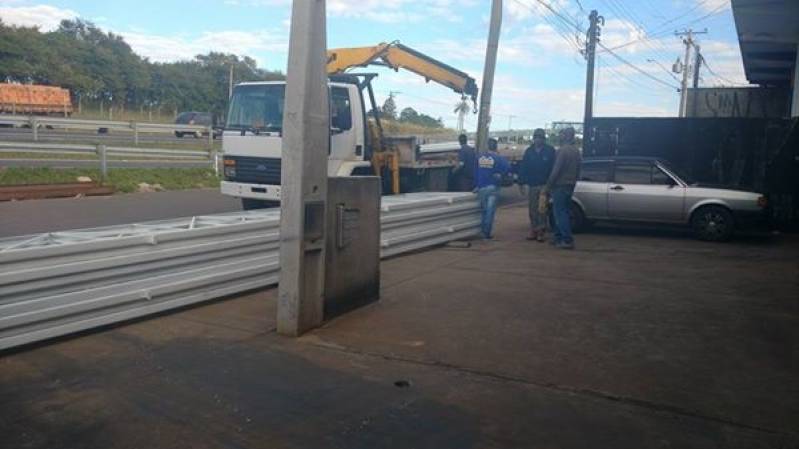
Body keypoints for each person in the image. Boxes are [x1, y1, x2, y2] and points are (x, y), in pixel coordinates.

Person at [544, 127, 581, 249]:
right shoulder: (576, 151)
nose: (560, 137)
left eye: (561, 135)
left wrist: (548, 185)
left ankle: (567, 240)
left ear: (566, 136)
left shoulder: (562, 151)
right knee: (562, 210)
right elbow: (579, 169)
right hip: (570, 185)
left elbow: (556, 170)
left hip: (560, 185)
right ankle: (558, 237)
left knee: (560, 213)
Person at [518, 128, 556, 242]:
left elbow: (554, 168)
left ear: (544, 139)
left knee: (542, 209)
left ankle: (541, 231)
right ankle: (534, 229)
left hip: (545, 185)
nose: (538, 140)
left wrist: (551, 184)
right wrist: (521, 183)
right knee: (532, 209)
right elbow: (523, 167)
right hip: (532, 185)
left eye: (540, 138)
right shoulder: (529, 151)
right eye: (536, 137)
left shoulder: (550, 151)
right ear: (534, 139)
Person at [475, 138, 510, 239]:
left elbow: (475, 171)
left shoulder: (479, 158)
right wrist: (500, 174)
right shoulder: (498, 158)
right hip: (493, 187)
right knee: (490, 212)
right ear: (496, 147)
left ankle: (482, 231)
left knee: (483, 211)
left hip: (481, 187)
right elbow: (508, 169)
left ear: (487, 146)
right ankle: (486, 234)